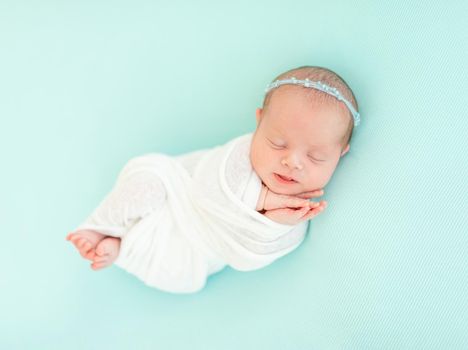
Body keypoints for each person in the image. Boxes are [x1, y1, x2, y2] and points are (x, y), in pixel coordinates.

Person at [66, 65, 360, 293]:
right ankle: (101, 227)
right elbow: (207, 190)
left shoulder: (299, 210)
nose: (292, 161)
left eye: (316, 157)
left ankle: (122, 247)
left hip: (193, 255)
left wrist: (276, 222)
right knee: (147, 182)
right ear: (259, 122)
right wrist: (263, 199)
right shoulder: (238, 156)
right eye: (278, 143)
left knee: (179, 274)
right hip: (175, 196)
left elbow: (245, 259)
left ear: (340, 154)